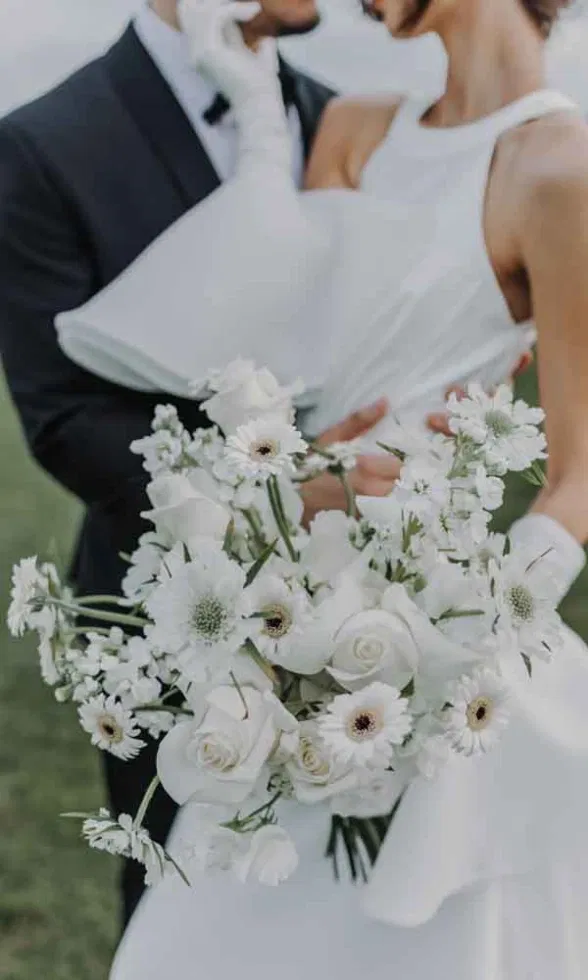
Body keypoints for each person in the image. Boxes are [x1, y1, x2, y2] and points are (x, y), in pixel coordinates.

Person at [55, 0, 588, 975]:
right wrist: (257, 114)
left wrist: (471, 641)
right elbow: (281, 351)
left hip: (435, 620)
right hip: (281, 599)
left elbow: (580, 475)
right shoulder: (355, 125)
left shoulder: (562, 169)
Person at [0, 0, 391, 928]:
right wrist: (279, 501)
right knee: (190, 905)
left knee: (357, 900)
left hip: (376, 603)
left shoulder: (341, 117)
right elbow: (66, 418)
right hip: (168, 616)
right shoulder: (42, 143)